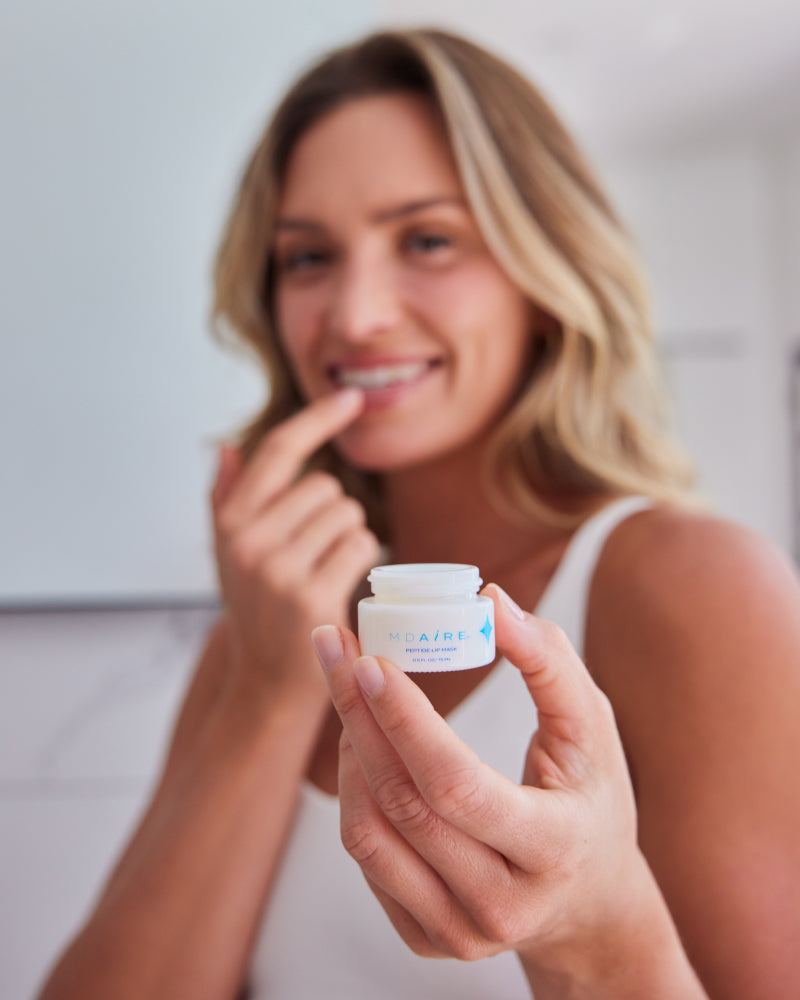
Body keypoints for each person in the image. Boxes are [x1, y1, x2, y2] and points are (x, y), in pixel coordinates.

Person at [37, 27, 800, 1000]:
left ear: (542, 273)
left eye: (427, 239)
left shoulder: (694, 587)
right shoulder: (262, 637)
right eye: (307, 257)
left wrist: (596, 932)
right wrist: (270, 688)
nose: (353, 316)